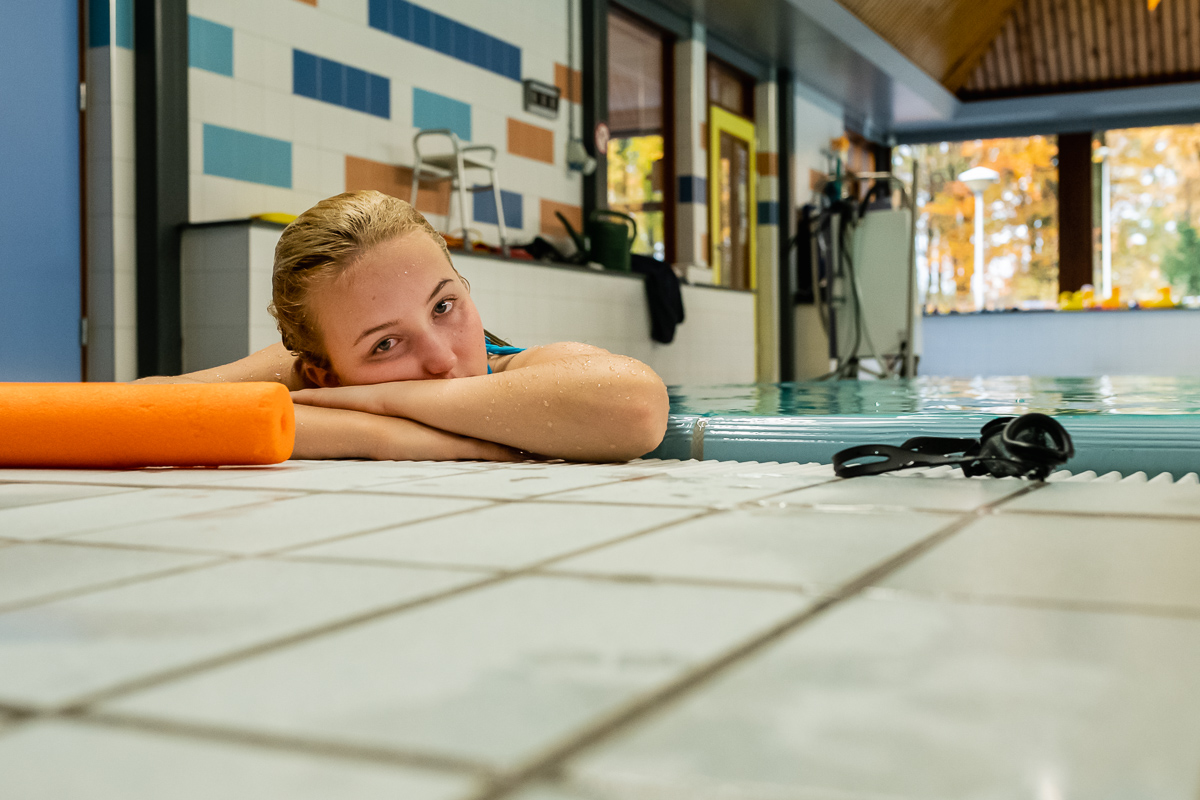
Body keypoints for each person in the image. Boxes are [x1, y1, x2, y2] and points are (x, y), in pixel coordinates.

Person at [138, 190, 669, 462]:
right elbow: (140, 408)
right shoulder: (309, 376)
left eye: (444, 306)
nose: (441, 359)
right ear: (325, 377)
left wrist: (385, 400)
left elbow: (639, 408)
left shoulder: (530, 367)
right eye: (386, 343)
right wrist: (377, 434)